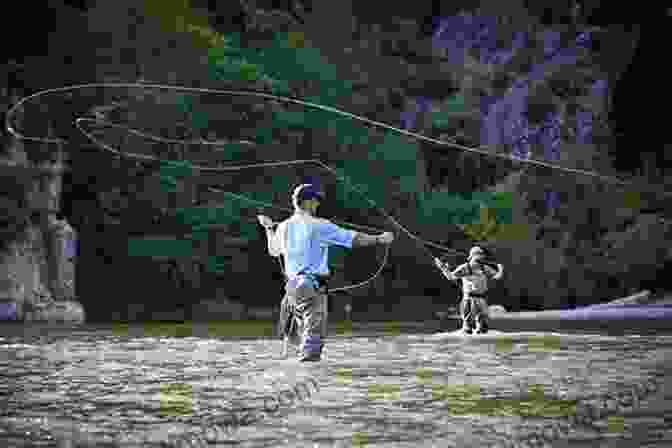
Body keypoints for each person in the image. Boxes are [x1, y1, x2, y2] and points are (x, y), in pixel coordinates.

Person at [258, 183, 394, 361]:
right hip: (311, 288)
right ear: (307, 202)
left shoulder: (283, 226)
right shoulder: (320, 226)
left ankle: (291, 379)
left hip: (291, 291)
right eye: (315, 201)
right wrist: (379, 239)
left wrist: (269, 228)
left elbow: (274, 251)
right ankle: (308, 379)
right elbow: (353, 239)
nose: (317, 205)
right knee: (312, 347)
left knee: (292, 347)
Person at [434, 246, 503, 334]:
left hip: (482, 300)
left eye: (482, 255)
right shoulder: (465, 267)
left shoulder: (485, 268)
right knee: (467, 328)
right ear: (472, 256)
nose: (481, 257)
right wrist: (443, 268)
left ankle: (481, 337)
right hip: (469, 300)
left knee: (483, 328)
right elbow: (451, 277)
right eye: (478, 255)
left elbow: (497, 277)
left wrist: (500, 269)